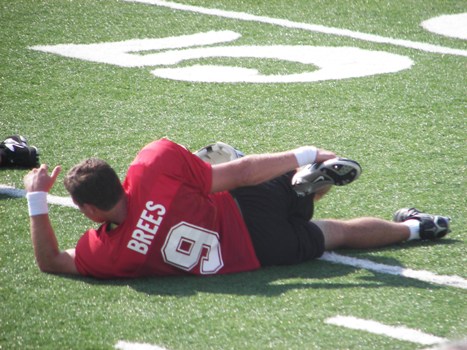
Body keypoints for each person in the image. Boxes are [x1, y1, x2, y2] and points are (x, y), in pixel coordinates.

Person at [23, 138, 451, 278]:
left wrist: (36, 198)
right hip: (244, 204)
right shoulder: (151, 164)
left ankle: (416, 230)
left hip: (254, 254)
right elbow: (243, 173)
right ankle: (304, 184)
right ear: (118, 179)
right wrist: (304, 153)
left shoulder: (109, 254)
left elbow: (50, 261)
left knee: (333, 233)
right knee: (225, 161)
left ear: (92, 212)